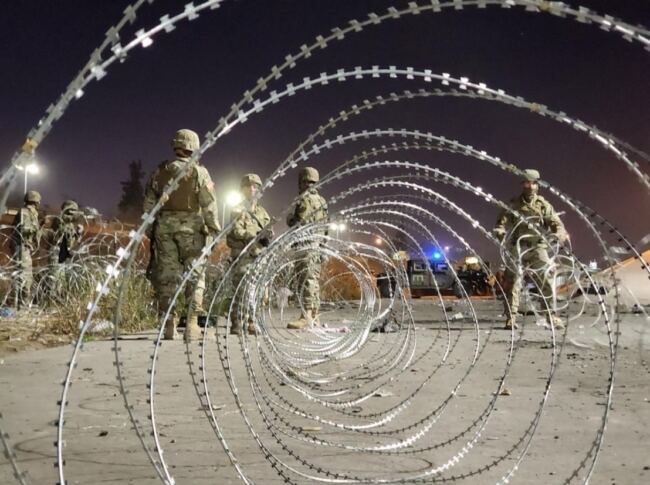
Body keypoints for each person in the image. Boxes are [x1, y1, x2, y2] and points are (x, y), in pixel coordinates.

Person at [143, 129, 220, 341]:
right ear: (194, 147)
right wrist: (214, 230)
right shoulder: (198, 171)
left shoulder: (159, 171)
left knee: (166, 277)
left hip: (164, 229)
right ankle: (192, 325)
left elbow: (149, 203)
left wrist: (152, 229)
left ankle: (169, 325)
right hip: (192, 230)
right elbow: (209, 204)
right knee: (195, 276)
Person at [493, 169, 569, 330]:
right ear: (523, 184)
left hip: (537, 246)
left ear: (537, 184)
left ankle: (551, 316)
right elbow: (500, 223)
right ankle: (511, 318)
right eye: (527, 183)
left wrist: (559, 234)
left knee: (546, 280)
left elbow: (557, 224)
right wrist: (501, 234)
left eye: (533, 183)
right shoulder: (513, 204)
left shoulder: (543, 205)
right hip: (517, 247)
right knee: (513, 282)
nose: (530, 186)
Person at [226, 173, 272, 335]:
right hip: (242, 255)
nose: (252, 189)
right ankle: (238, 321)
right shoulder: (238, 209)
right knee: (242, 289)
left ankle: (253, 321)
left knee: (258, 290)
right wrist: (255, 235)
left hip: (259, 255)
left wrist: (267, 237)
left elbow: (269, 230)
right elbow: (237, 230)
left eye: (255, 186)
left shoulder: (262, 212)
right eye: (249, 186)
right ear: (243, 189)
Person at [286, 167, 328, 329]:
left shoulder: (303, 200)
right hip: (317, 246)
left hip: (305, 245)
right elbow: (326, 227)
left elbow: (300, 224)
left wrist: (290, 219)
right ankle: (314, 316)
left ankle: (306, 316)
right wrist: (323, 246)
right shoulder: (322, 201)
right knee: (313, 280)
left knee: (305, 280)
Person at [10, 190, 42, 309]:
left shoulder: (32, 213)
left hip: (25, 248)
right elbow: (23, 229)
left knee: (26, 275)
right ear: (35, 201)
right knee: (24, 276)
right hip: (21, 248)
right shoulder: (25, 212)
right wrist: (37, 229)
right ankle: (20, 305)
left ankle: (21, 304)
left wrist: (39, 227)